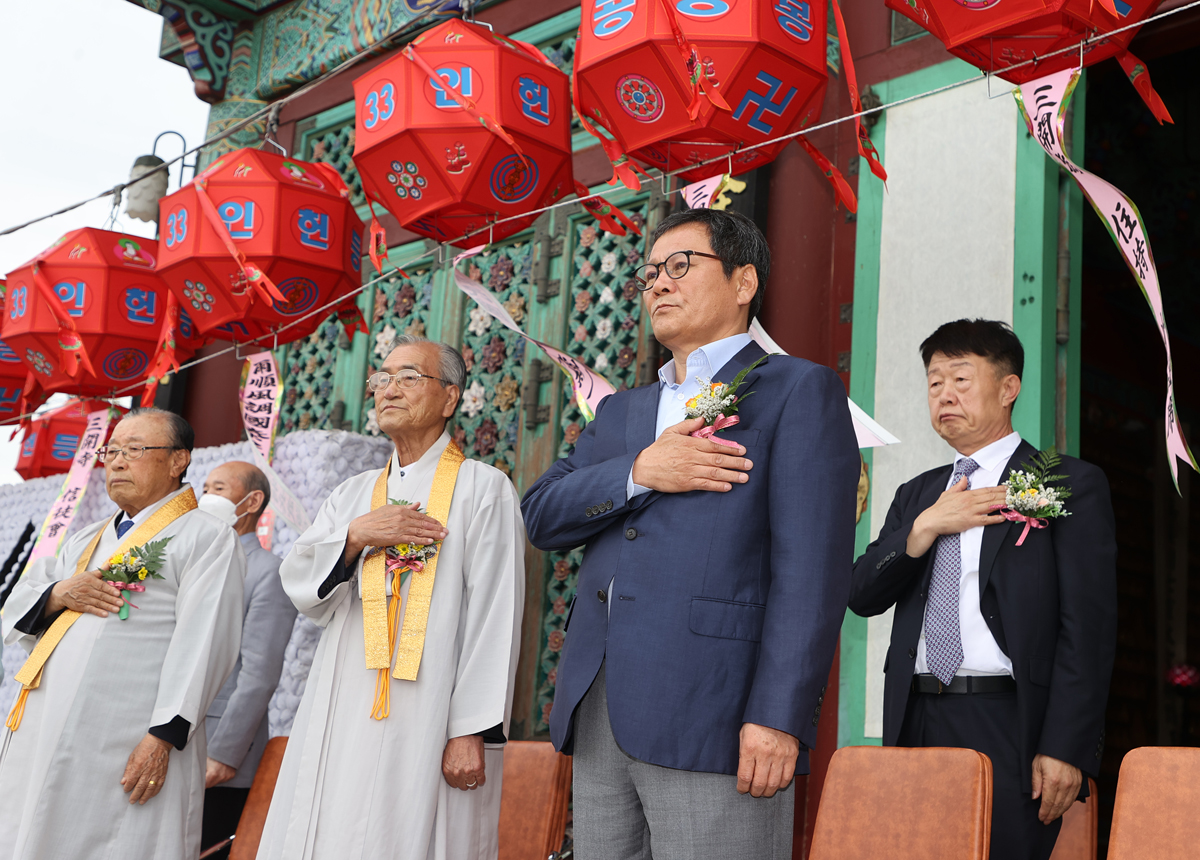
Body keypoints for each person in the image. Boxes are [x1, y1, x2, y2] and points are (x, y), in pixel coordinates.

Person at [521, 208, 860, 859]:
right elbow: (542, 512)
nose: (658, 285)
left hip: (719, 713)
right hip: (600, 709)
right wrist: (640, 470)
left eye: (681, 266)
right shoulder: (623, 413)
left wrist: (779, 716)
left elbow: (811, 575)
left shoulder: (797, 391)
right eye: (650, 273)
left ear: (743, 283)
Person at [849, 319, 1117, 860]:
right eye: (933, 382)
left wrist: (1066, 747)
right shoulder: (918, 493)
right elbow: (863, 594)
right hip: (918, 715)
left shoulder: (1065, 484)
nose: (944, 394)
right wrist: (925, 527)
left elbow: (1087, 630)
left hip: (1009, 721)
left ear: (1008, 387)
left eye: (961, 379)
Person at [257, 335, 525, 860]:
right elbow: (302, 586)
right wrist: (355, 536)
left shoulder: (482, 487)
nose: (388, 390)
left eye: (408, 378)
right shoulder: (353, 494)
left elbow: (498, 614)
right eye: (382, 379)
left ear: (450, 398)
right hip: (344, 697)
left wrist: (471, 729)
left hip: (430, 709)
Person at [0, 407, 245, 859]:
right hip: (49, 721)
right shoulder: (86, 538)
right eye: (111, 450)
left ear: (178, 461)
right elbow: (19, 602)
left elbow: (206, 642)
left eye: (134, 450)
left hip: (130, 735)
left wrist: (163, 736)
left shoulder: (205, 536)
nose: (115, 462)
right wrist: (59, 593)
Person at [199, 461, 296, 857]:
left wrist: (224, 753)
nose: (205, 497)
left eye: (217, 489)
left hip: (218, 755)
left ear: (252, 501)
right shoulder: (195, 562)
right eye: (203, 487)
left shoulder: (267, 571)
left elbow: (258, 673)